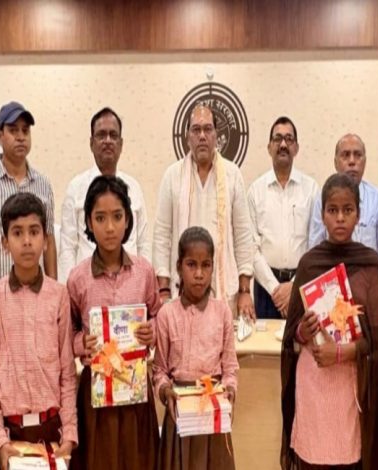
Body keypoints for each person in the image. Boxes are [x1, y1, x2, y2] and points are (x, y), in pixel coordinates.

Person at [281, 173, 378, 470]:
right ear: (322, 215)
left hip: (350, 388)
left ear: (358, 215)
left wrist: (341, 353)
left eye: (347, 210)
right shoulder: (309, 264)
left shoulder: (371, 266)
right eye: (332, 210)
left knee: (349, 458)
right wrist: (302, 331)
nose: (340, 218)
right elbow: (292, 335)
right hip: (313, 384)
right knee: (311, 458)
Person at [66, 175, 161, 470]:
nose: (109, 227)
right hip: (96, 394)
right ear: (89, 222)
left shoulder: (144, 272)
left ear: (128, 220)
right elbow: (68, 333)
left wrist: (152, 332)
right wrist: (81, 343)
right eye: (100, 218)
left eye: (117, 216)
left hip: (135, 390)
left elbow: (158, 316)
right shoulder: (78, 279)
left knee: (138, 460)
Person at [0, 193, 77, 470]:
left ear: (45, 240)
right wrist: (0, 441)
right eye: (17, 233)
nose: (26, 241)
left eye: (34, 232)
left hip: (53, 429)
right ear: (4, 242)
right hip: (12, 434)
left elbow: (67, 373)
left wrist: (69, 433)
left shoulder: (59, 295)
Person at [153, 104, 256, 320]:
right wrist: (162, 290)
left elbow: (243, 236)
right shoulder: (172, 176)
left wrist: (245, 291)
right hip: (181, 291)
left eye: (208, 129)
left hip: (223, 292)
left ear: (216, 136)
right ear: (187, 137)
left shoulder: (232, 174)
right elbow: (162, 236)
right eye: (196, 129)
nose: (202, 136)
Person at [153, 226, 239, 470]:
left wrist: (230, 389)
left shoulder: (222, 312)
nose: (199, 274)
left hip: (213, 411)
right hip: (179, 413)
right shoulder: (167, 314)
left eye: (206, 265)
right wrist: (165, 391)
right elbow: (159, 371)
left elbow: (230, 367)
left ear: (213, 267)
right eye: (191, 265)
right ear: (179, 267)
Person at [59, 107, 149, 282]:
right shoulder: (76, 188)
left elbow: (143, 243)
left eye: (113, 135)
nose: (108, 140)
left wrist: (143, 283)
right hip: (87, 285)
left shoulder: (134, 187)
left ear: (121, 144)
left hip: (130, 286)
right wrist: (68, 288)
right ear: (91, 143)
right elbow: (68, 247)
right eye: (101, 135)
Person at [0, 101, 57, 281]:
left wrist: (54, 287)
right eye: (13, 130)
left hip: (38, 289)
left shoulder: (43, 184)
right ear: (0, 136)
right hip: (1, 289)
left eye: (25, 131)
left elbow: (49, 241)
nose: (21, 137)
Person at [248, 117, 318, 319]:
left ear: (296, 148)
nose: (283, 144)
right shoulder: (255, 191)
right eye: (277, 139)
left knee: (302, 339)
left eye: (289, 139)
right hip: (266, 290)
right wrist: (276, 290)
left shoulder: (312, 189)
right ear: (269, 147)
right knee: (265, 340)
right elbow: (251, 247)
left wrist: (294, 285)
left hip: (302, 285)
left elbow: (315, 243)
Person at [308, 134, 378, 276]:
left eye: (357, 155)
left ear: (365, 162)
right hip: (331, 283)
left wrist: (377, 284)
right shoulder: (321, 198)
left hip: (368, 282)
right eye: (346, 155)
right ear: (335, 162)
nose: (352, 161)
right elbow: (315, 249)